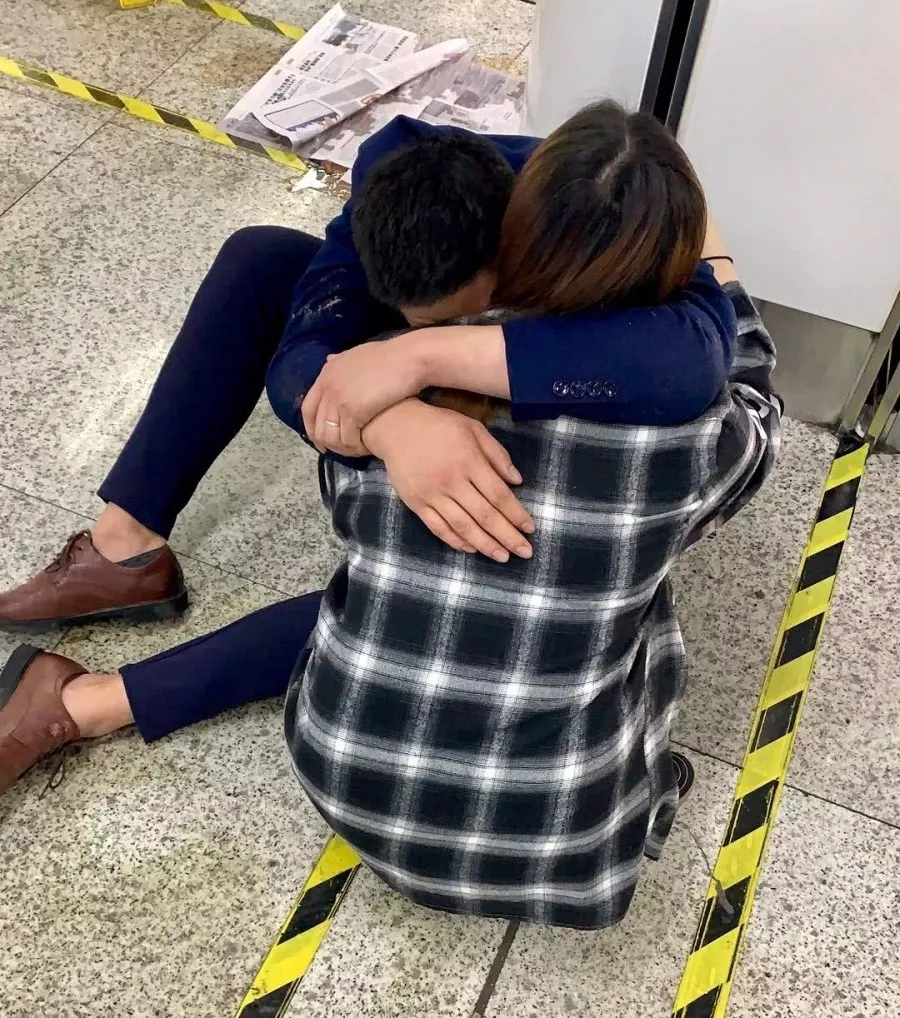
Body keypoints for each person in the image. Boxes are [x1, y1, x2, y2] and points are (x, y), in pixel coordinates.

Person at [4, 103, 776, 934]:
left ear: (519, 258)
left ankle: (92, 694)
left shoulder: (532, 307)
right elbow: (735, 379)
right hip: (570, 846)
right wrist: (390, 419)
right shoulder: (700, 434)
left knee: (404, 600)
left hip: (333, 767)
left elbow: (678, 357)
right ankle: (123, 556)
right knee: (583, 608)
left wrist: (405, 374)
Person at [0, 117, 733, 632]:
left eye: (447, 317)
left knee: (442, 593)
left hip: (561, 401)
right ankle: (124, 547)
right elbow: (299, 357)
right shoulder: (398, 180)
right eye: (416, 322)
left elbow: (693, 360)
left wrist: (420, 356)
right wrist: (390, 423)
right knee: (261, 258)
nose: (422, 330)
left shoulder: (607, 238)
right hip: (438, 370)